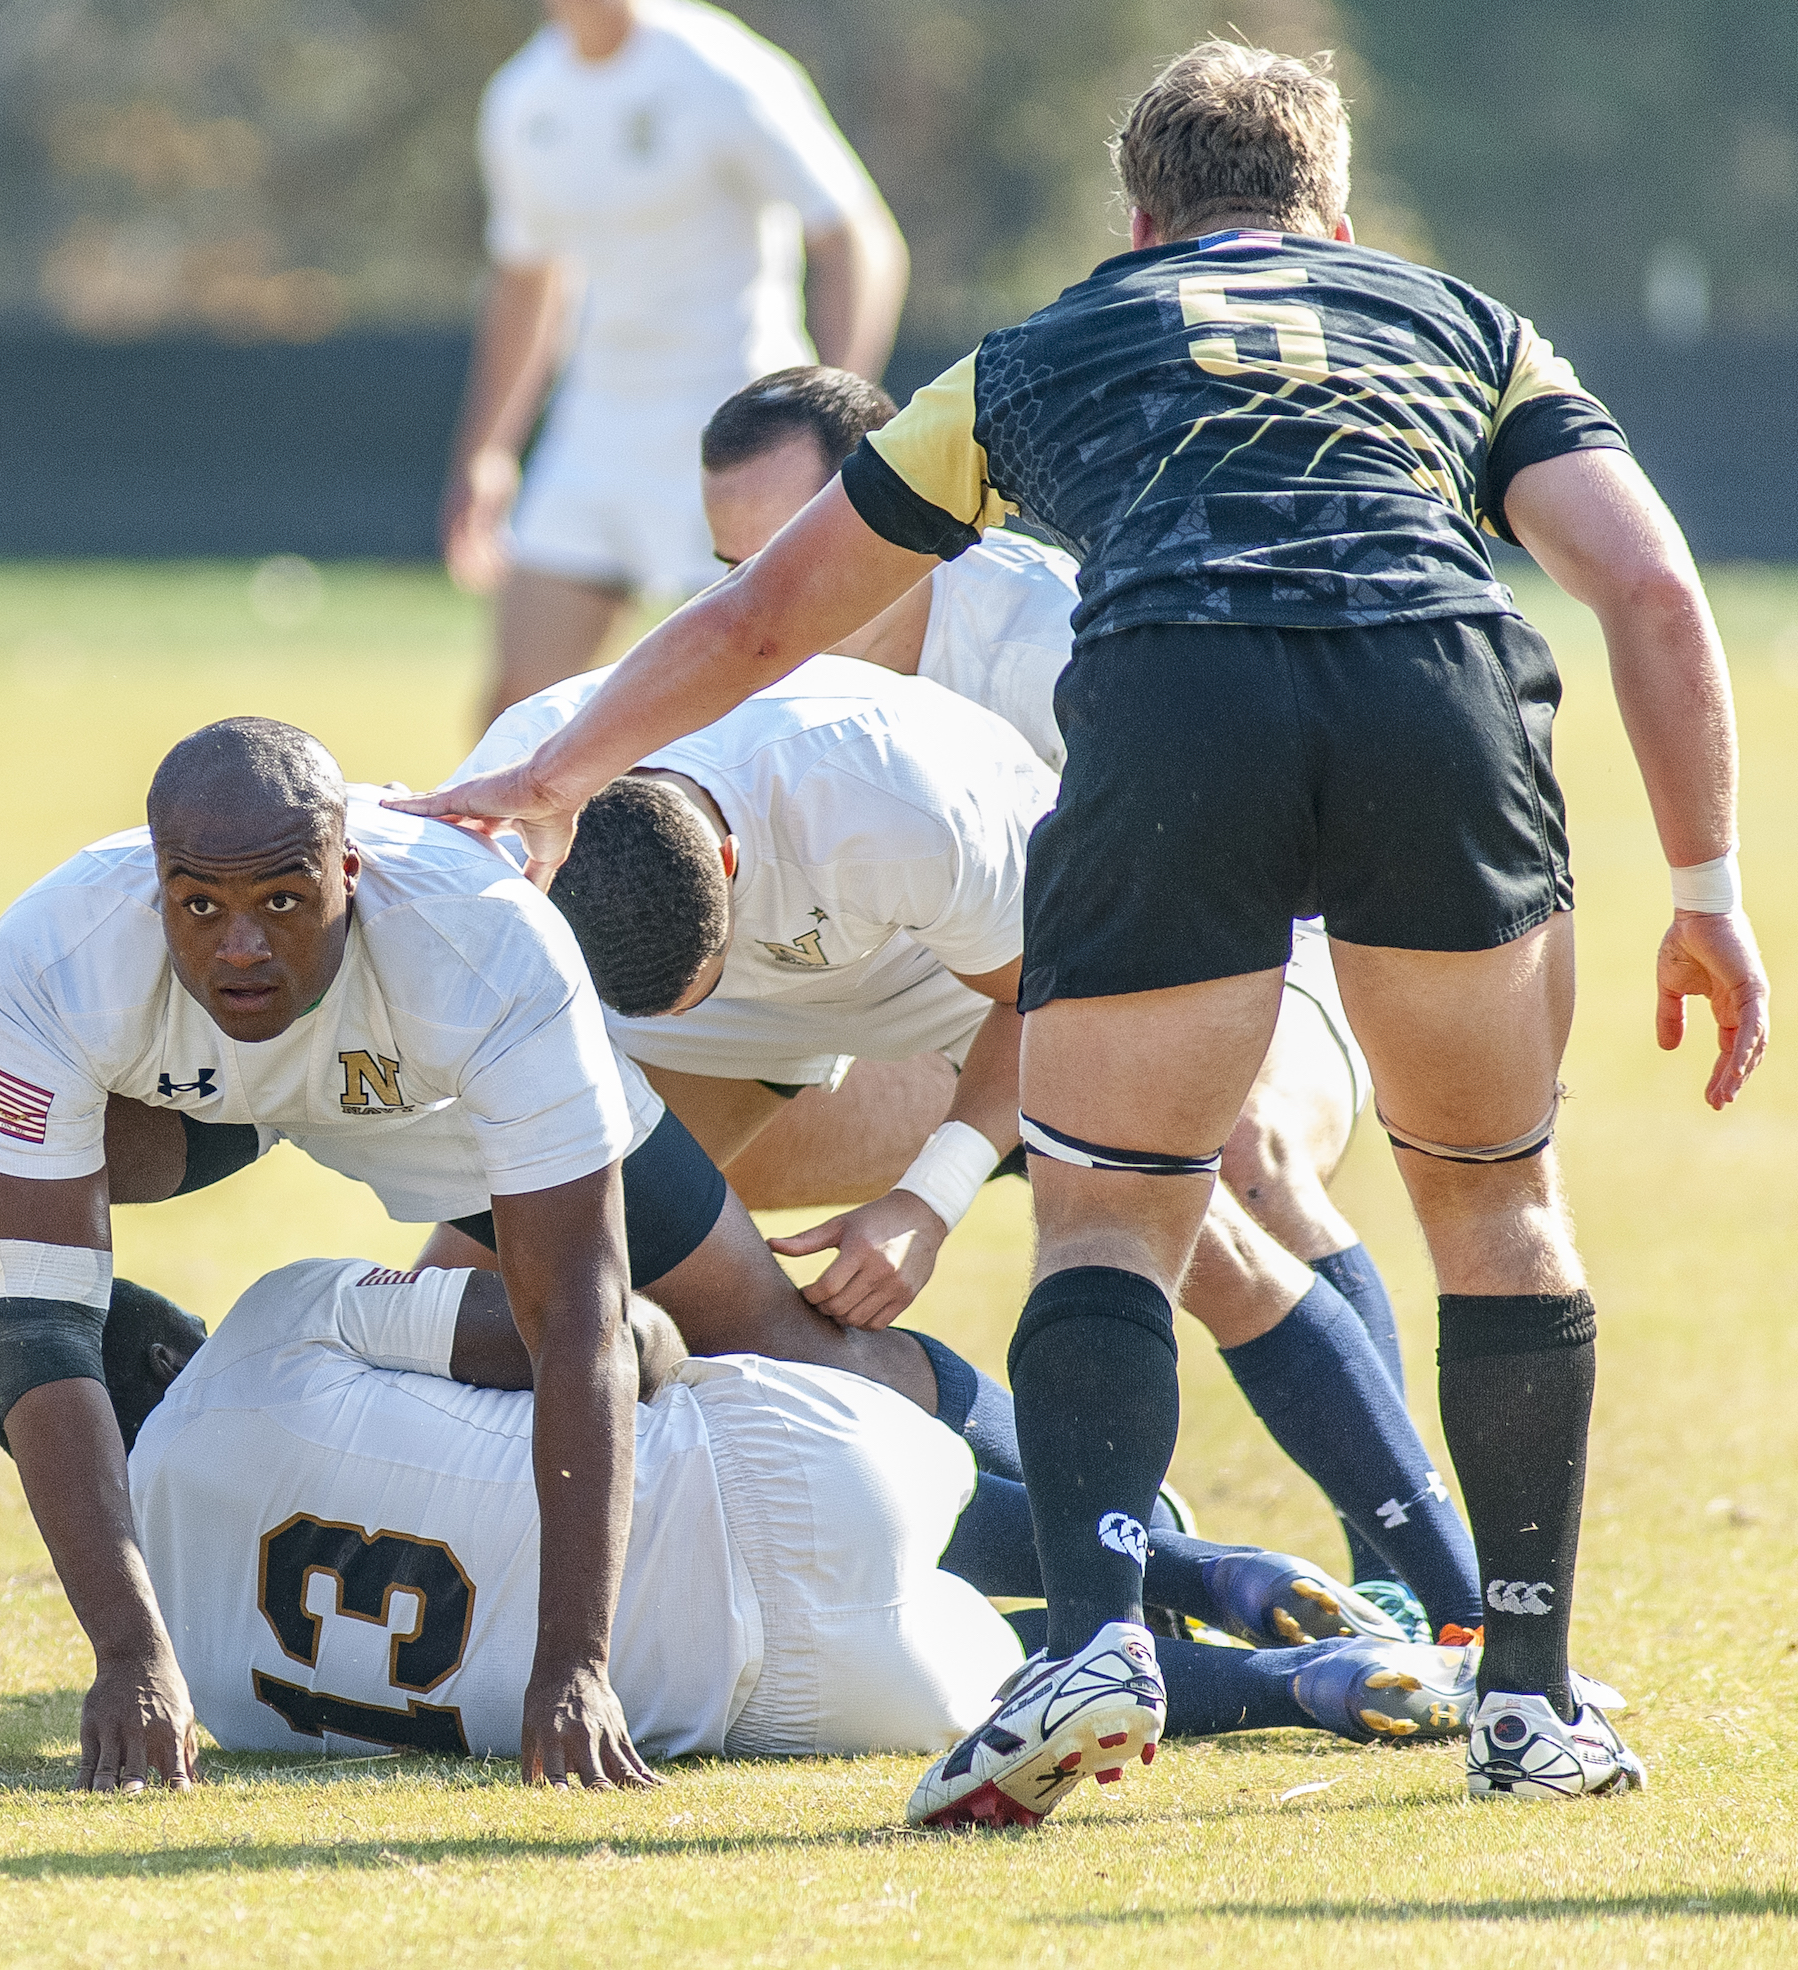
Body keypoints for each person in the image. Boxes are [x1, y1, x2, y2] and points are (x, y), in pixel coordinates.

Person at [390, 39, 1768, 1817]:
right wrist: (1710, 894)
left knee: (1109, 1207)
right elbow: (1647, 583)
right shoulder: (1467, 323)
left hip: (1178, 697)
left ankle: (1101, 1636)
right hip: (1432, 681)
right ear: (1334, 211)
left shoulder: (1039, 353)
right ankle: (1527, 1695)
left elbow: (757, 623)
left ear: (1138, 218)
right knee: (1501, 1210)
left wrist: (554, 771)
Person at [0, 716, 943, 1788]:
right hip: (206, 1085)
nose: (242, 940)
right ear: (152, 887)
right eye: (198, 903)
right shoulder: (60, 949)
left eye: (283, 899)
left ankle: (1101, 1543)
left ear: (350, 871)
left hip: (440, 1091)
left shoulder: (487, 943)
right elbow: (42, 1327)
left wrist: (574, 1666)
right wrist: (128, 1652)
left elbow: (575, 1322)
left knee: (775, 1341)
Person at [443, 647, 1483, 1645]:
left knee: (1190, 1232)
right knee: (498, 1297)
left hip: (963, 967)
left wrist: (927, 1197)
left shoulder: (888, 791)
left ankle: (1456, 1608)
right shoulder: (516, 791)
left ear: (727, 858)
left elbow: (1047, 995)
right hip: (696, 1012)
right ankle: (1135, 1539)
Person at [692, 365, 1455, 1616]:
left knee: (1233, 1154)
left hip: (1229, 944)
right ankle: (1085, 1512)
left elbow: (1209, 883)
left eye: (788, 546)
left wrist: (937, 1178)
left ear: (899, 512)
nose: (760, 592)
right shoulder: (736, 646)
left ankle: (1410, 1577)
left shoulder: (1056, 634)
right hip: (958, 1004)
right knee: (679, 1199)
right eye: (729, 563)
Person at [110, 1265, 1487, 1768]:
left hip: (749, 1698)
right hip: (785, 1469)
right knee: (770, 1458)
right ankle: (1199, 1562)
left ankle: (1287, 1681)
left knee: (1015, 1681)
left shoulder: (201, 1688)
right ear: (165, 1349)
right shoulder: (263, 1324)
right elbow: (583, 1337)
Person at [445, 0, 907, 725]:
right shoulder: (523, 96)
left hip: (736, 431)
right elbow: (528, 278)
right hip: (595, 429)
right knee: (516, 713)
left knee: (741, 713)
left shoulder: (722, 70)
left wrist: (833, 422)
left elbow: (857, 236)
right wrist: (488, 452)